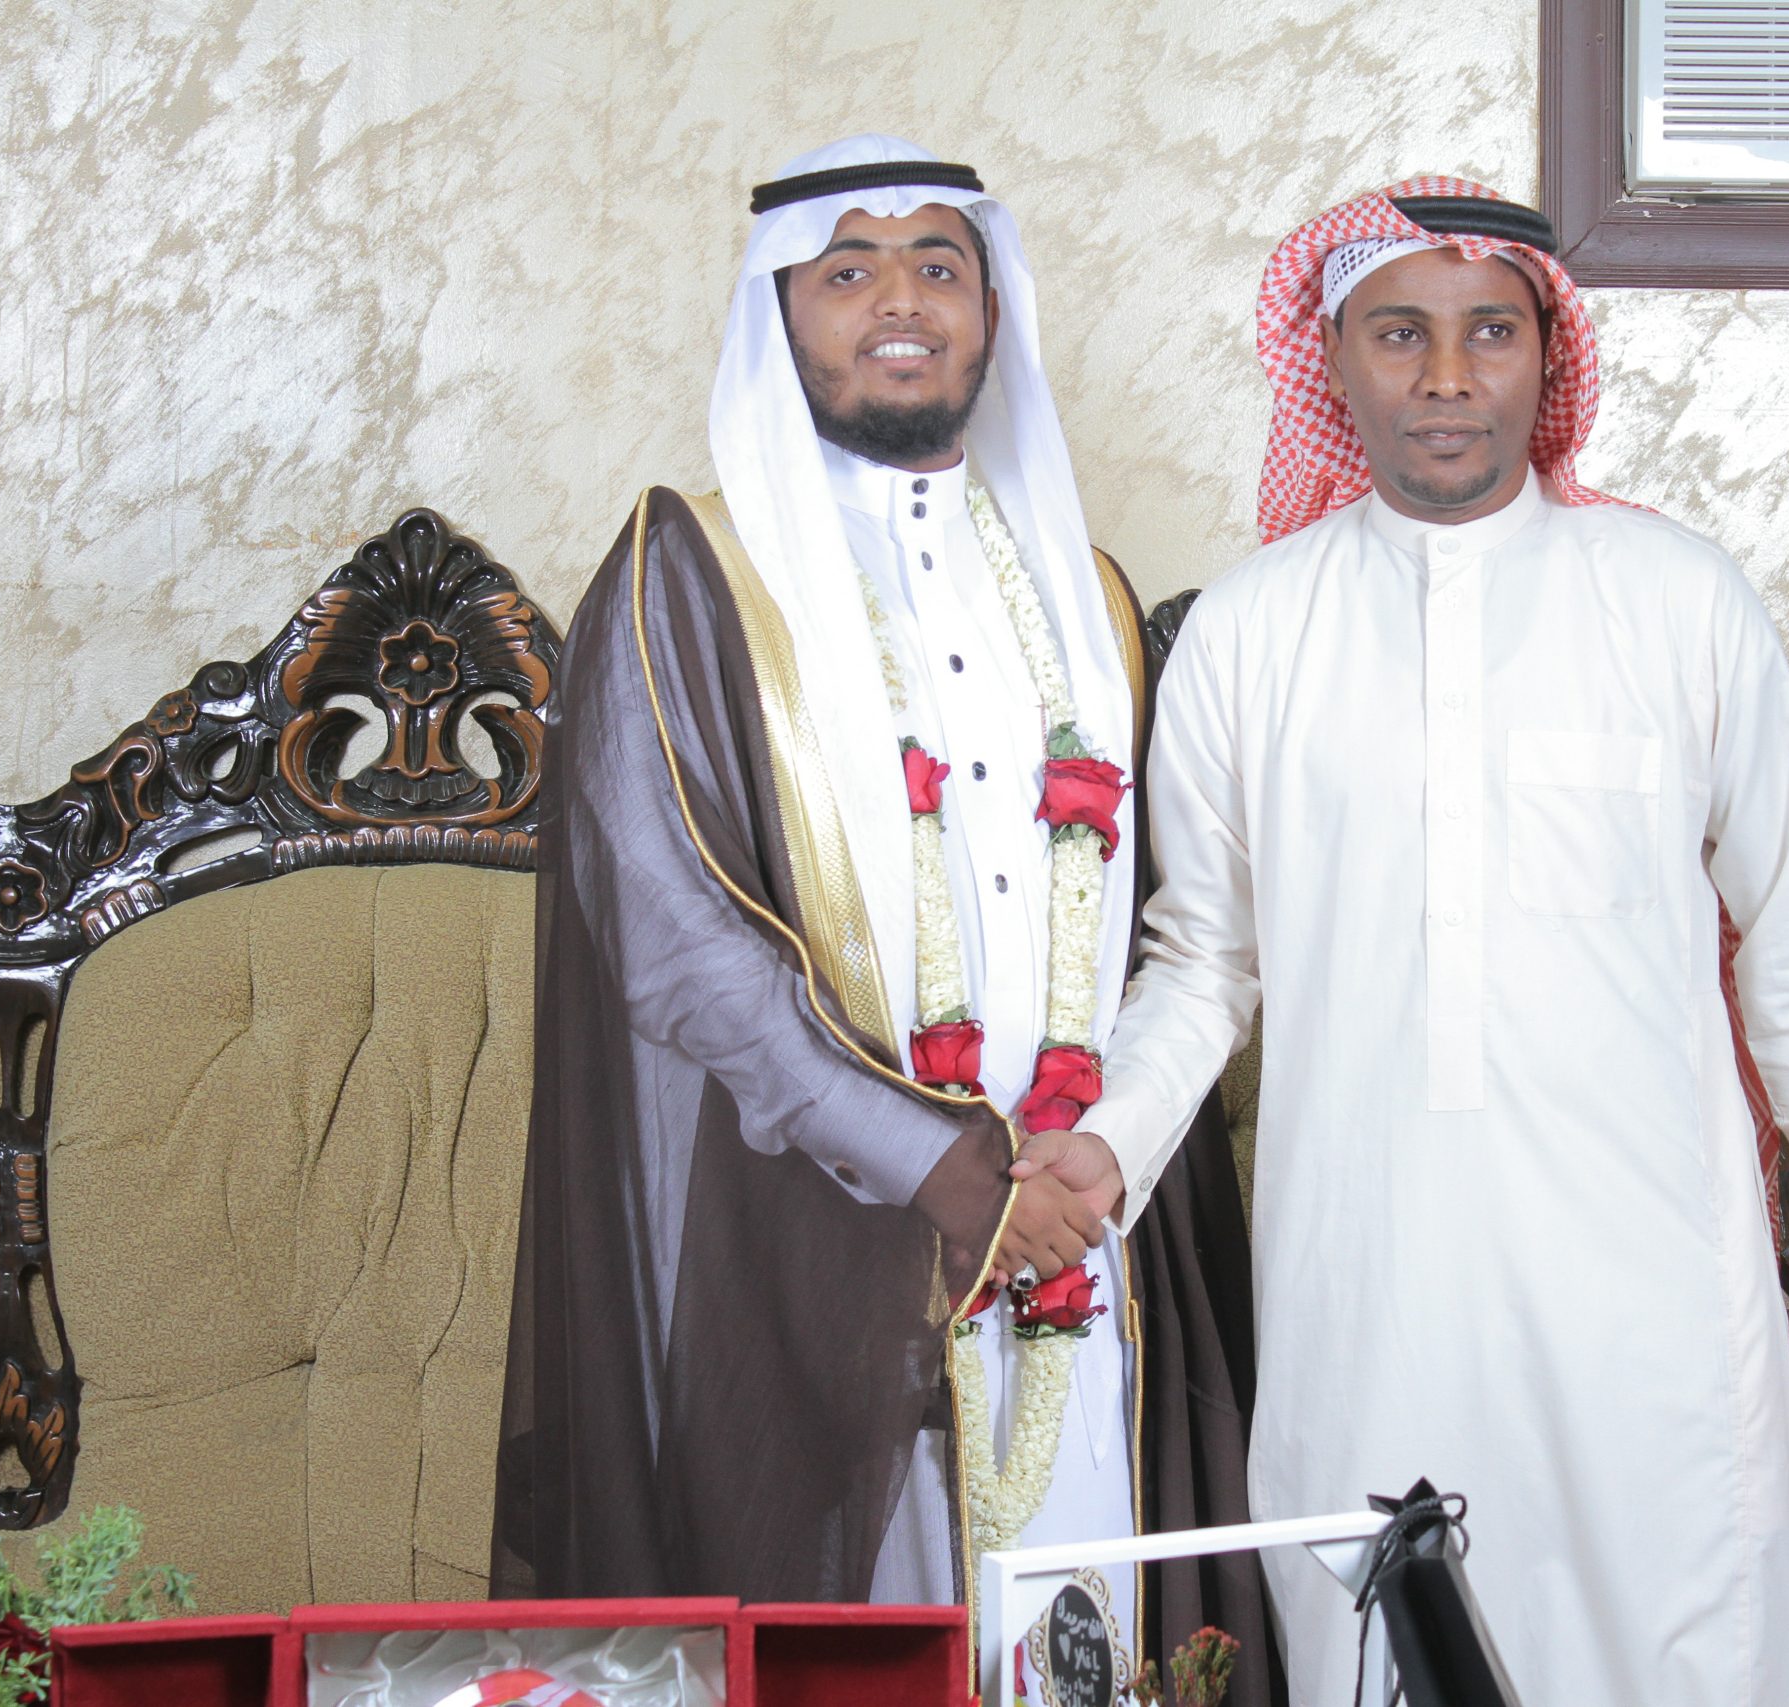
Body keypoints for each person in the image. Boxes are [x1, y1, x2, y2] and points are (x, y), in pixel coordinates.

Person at [1043, 178, 1789, 1705]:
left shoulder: (1679, 603)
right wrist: (1106, 1147)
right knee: (1389, 1647)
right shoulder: (1250, 634)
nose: (1446, 377)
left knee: (1678, 1653)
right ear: (1333, 360)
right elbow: (1203, 962)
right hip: (1365, 1279)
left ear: (1547, 355)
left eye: (1489, 333)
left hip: (1648, 1281)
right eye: (1400, 334)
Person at [489, 135, 1272, 1701]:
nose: (898, 302)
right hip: (817, 1250)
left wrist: (1098, 1155)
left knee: (1093, 1636)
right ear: (779, 315)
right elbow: (675, 939)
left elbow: (1173, 938)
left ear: (992, 309)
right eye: (848, 271)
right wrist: (947, 1174)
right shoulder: (692, 574)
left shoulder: (1090, 598)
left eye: (936, 266)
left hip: (1086, 1237)